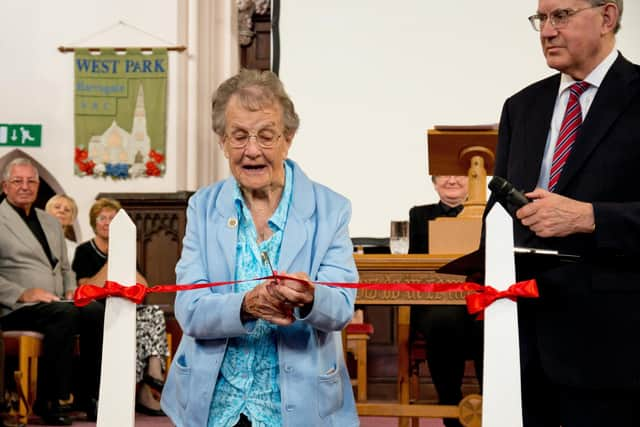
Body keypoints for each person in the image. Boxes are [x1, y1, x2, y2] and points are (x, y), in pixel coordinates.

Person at [160, 69, 359, 427]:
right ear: (222, 141)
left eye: (266, 136)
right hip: (215, 403)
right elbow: (189, 310)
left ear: (288, 138)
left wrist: (311, 297)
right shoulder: (203, 208)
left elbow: (341, 308)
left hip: (298, 404)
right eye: (238, 136)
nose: (252, 150)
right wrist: (244, 306)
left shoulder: (331, 209)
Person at [487, 1, 640, 426]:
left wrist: (590, 217)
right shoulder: (521, 107)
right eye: (541, 19)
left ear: (607, 18)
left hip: (613, 349)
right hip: (522, 341)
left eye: (561, 16)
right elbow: (497, 212)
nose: (547, 31)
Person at [0, 158, 103, 425]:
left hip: (56, 302)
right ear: (4, 186)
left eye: (31, 181)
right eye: (17, 181)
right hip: (14, 308)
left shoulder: (50, 222)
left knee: (94, 311)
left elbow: (66, 268)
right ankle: (51, 399)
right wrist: (23, 293)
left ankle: (87, 395)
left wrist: (71, 290)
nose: (25, 186)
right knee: (63, 316)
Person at [71, 198, 168, 416]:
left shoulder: (126, 249)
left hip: (126, 307)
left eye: (112, 219)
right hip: (97, 312)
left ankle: (153, 373)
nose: (107, 222)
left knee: (153, 314)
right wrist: (111, 262)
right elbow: (85, 287)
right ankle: (136, 389)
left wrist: (121, 254)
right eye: (102, 218)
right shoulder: (84, 250)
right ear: (94, 222)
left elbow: (143, 287)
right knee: (126, 325)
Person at [408, 175, 483, 427]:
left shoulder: (491, 214)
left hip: (481, 298)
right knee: (443, 320)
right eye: (444, 175)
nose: (451, 180)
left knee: (493, 323)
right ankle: (451, 410)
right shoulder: (419, 215)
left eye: (458, 174)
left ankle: (495, 409)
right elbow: (413, 264)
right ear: (433, 181)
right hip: (437, 300)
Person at [45, 194, 79, 262]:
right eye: (57, 207)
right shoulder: (33, 240)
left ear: (72, 219)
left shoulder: (76, 250)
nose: (61, 211)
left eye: (67, 210)